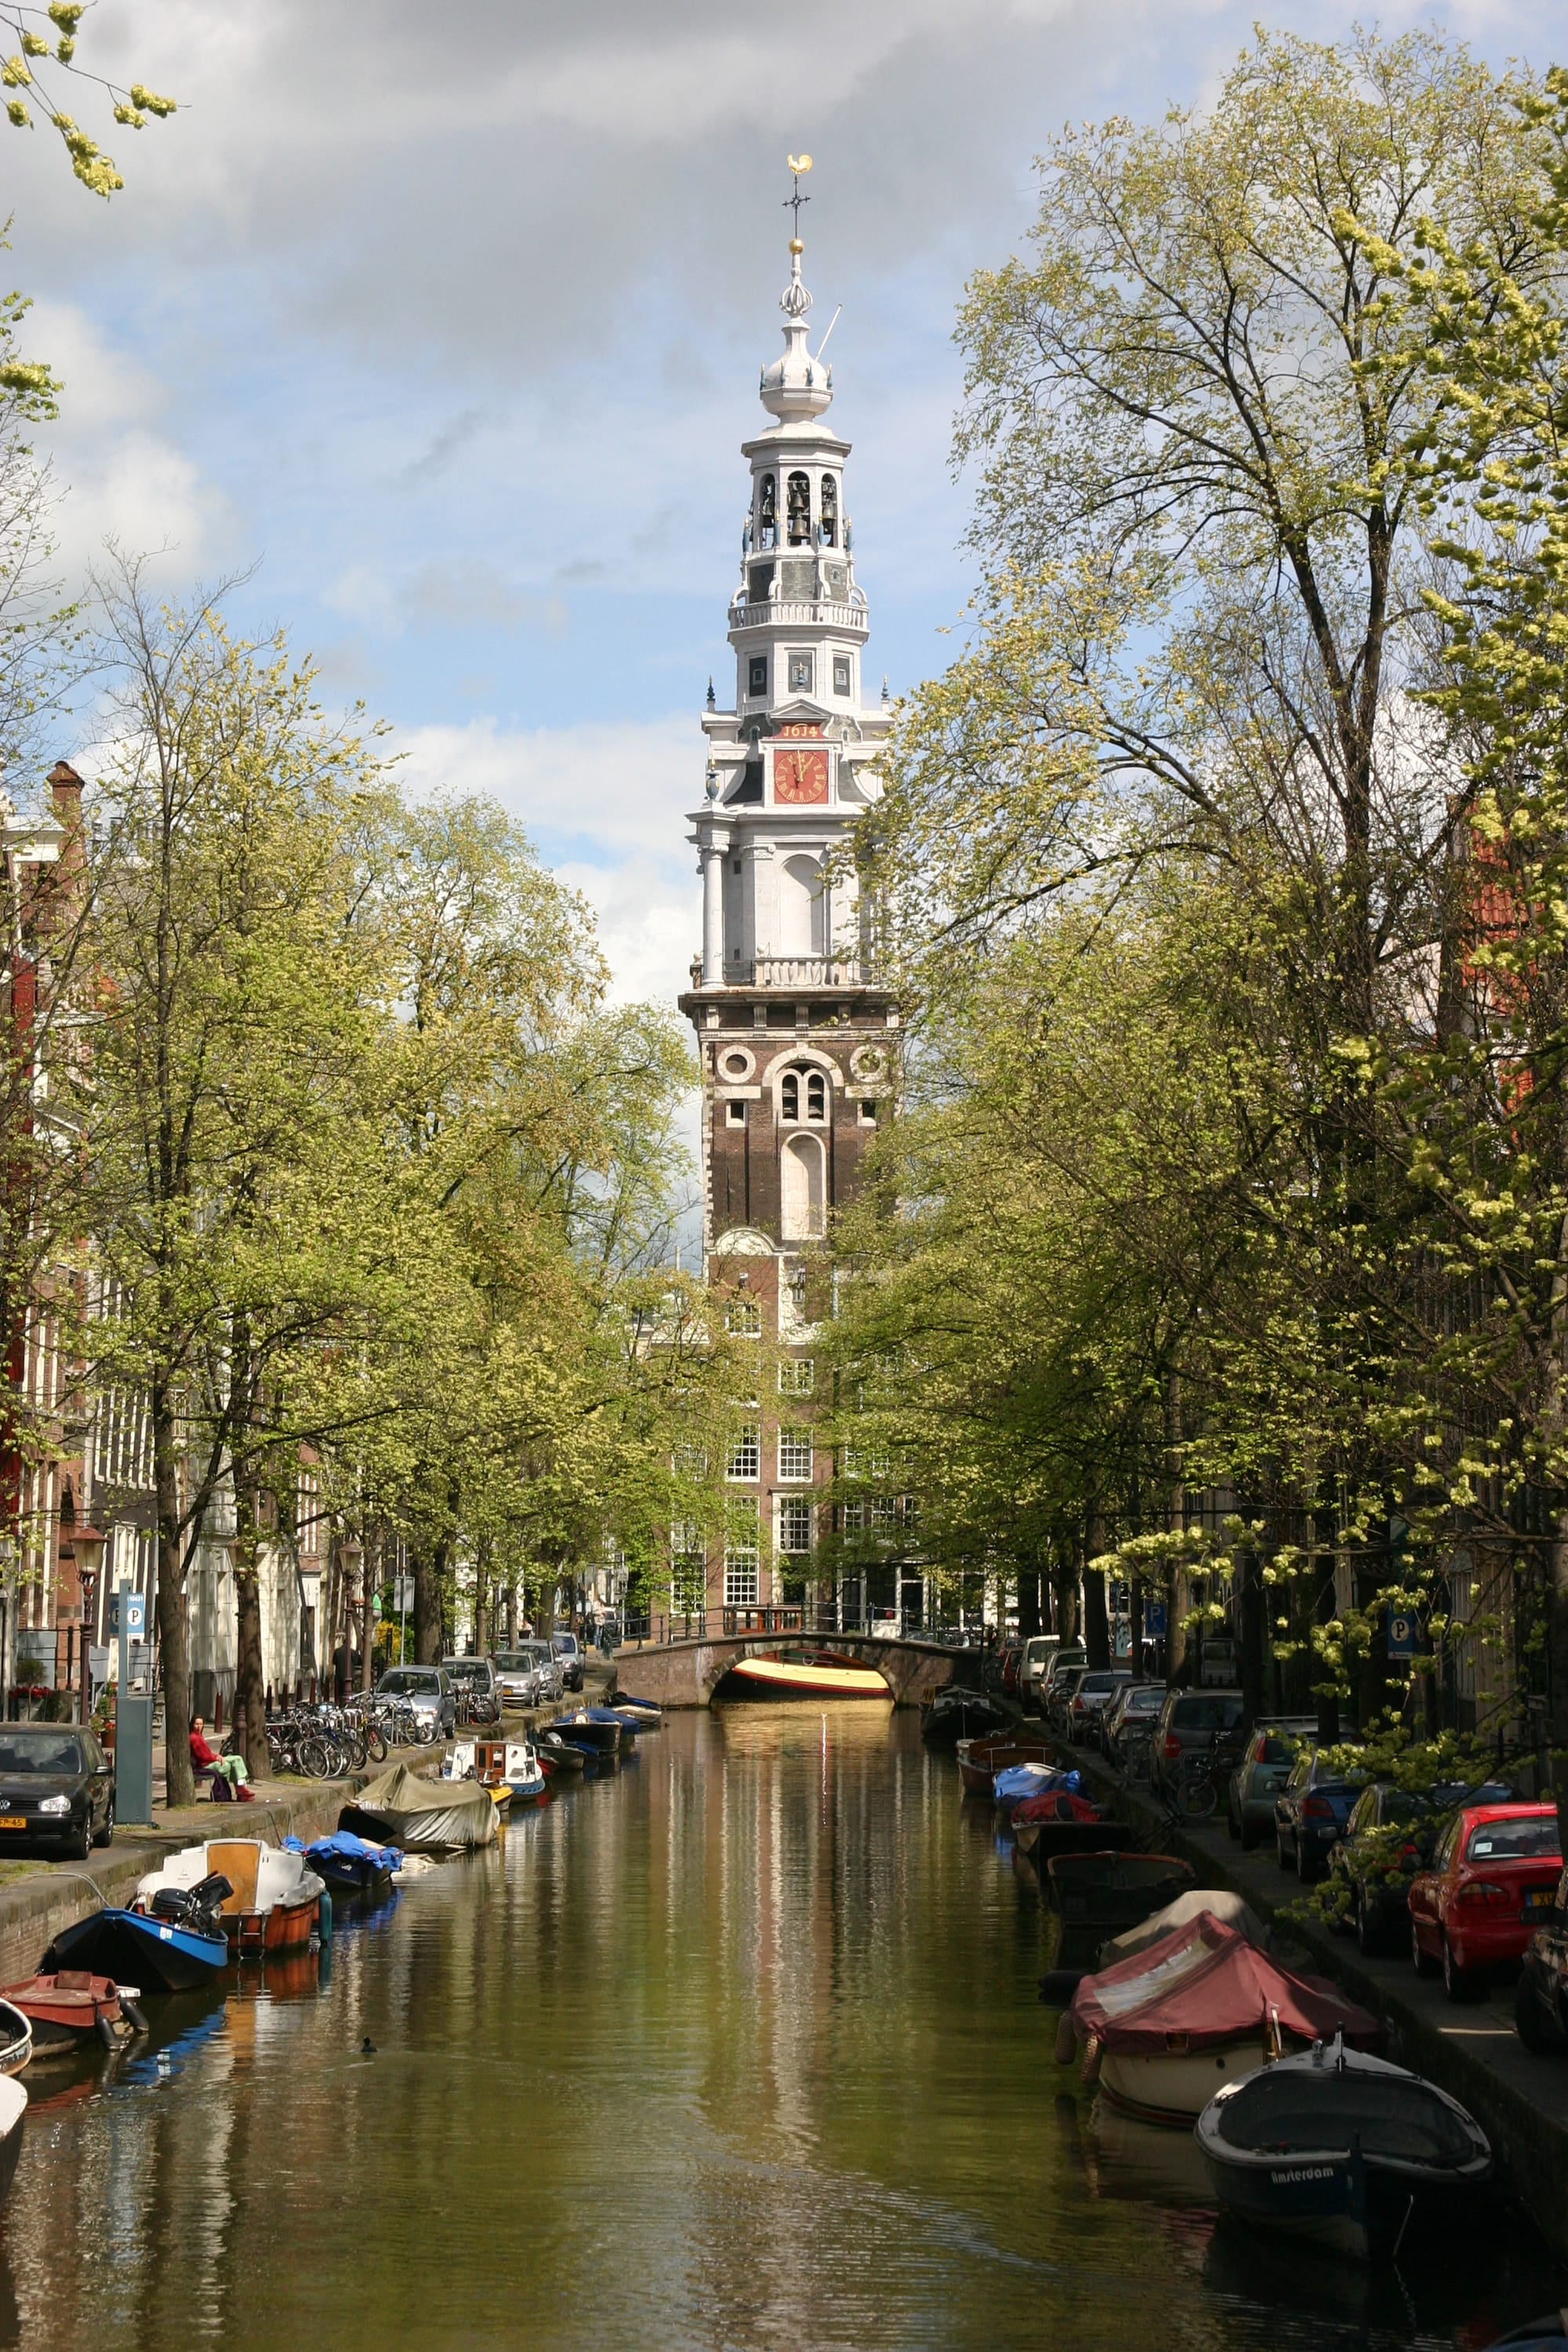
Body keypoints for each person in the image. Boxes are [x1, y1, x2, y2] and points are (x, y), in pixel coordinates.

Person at [189, 1717, 253, 1802]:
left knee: (238, 1759)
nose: (199, 1727)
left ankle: (240, 1787)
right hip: (206, 1764)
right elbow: (203, 1756)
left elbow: (207, 1753)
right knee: (229, 1765)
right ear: (192, 1725)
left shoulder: (199, 1736)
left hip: (210, 1760)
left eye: (201, 1724)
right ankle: (240, 1787)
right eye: (197, 1724)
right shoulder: (194, 1738)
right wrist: (216, 1757)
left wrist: (216, 1756)